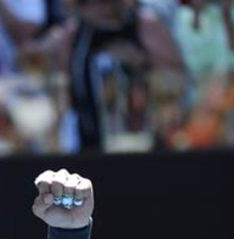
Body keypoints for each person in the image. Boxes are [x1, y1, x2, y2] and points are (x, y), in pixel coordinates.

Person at [28, 0, 184, 150]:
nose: (98, 7)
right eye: (87, 2)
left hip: (141, 143)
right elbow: (42, 68)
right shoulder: (74, 33)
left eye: (106, 1)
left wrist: (141, 64)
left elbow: (175, 81)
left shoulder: (144, 24)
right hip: (89, 143)